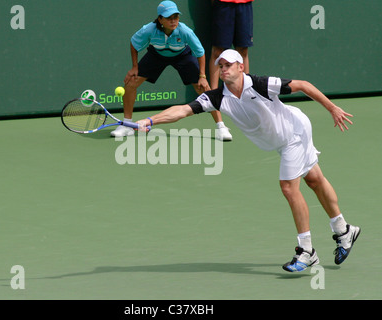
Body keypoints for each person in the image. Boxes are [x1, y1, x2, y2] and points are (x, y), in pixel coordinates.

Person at [137, 49, 361, 272]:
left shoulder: (261, 84)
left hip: (294, 132)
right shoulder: (217, 97)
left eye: (228, 65)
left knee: (289, 188)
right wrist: (151, 120)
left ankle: (306, 252)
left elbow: (303, 85)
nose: (223, 69)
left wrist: (332, 108)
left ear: (240, 67)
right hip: (282, 139)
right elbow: (183, 110)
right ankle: (344, 230)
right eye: (221, 66)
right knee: (314, 179)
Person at [111, 1, 232, 141]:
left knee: (203, 88)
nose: (173, 20)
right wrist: (134, 67)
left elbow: (200, 52)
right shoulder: (149, 29)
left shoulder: (185, 31)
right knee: (131, 83)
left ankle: (221, 126)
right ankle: (127, 125)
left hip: (183, 56)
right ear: (160, 19)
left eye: (176, 17)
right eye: (169, 18)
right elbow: (134, 43)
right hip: (156, 55)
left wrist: (202, 76)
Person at [207, 0, 254, 142]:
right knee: (218, 51)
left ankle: (246, 95)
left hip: (245, 4)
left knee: (243, 50)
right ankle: (213, 100)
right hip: (223, 4)